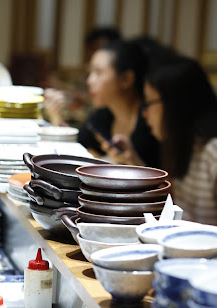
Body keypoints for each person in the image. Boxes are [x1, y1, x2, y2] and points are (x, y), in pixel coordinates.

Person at [140, 56, 217, 225]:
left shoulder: (212, 152)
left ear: (174, 106)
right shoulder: (182, 146)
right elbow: (175, 207)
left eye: (148, 103)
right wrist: (133, 161)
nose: (144, 113)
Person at [73, 39, 161, 168]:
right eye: (90, 72)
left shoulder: (151, 122)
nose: (89, 81)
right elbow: (77, 146)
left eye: (98, 73)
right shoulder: (103, 115)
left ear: (126, 79)